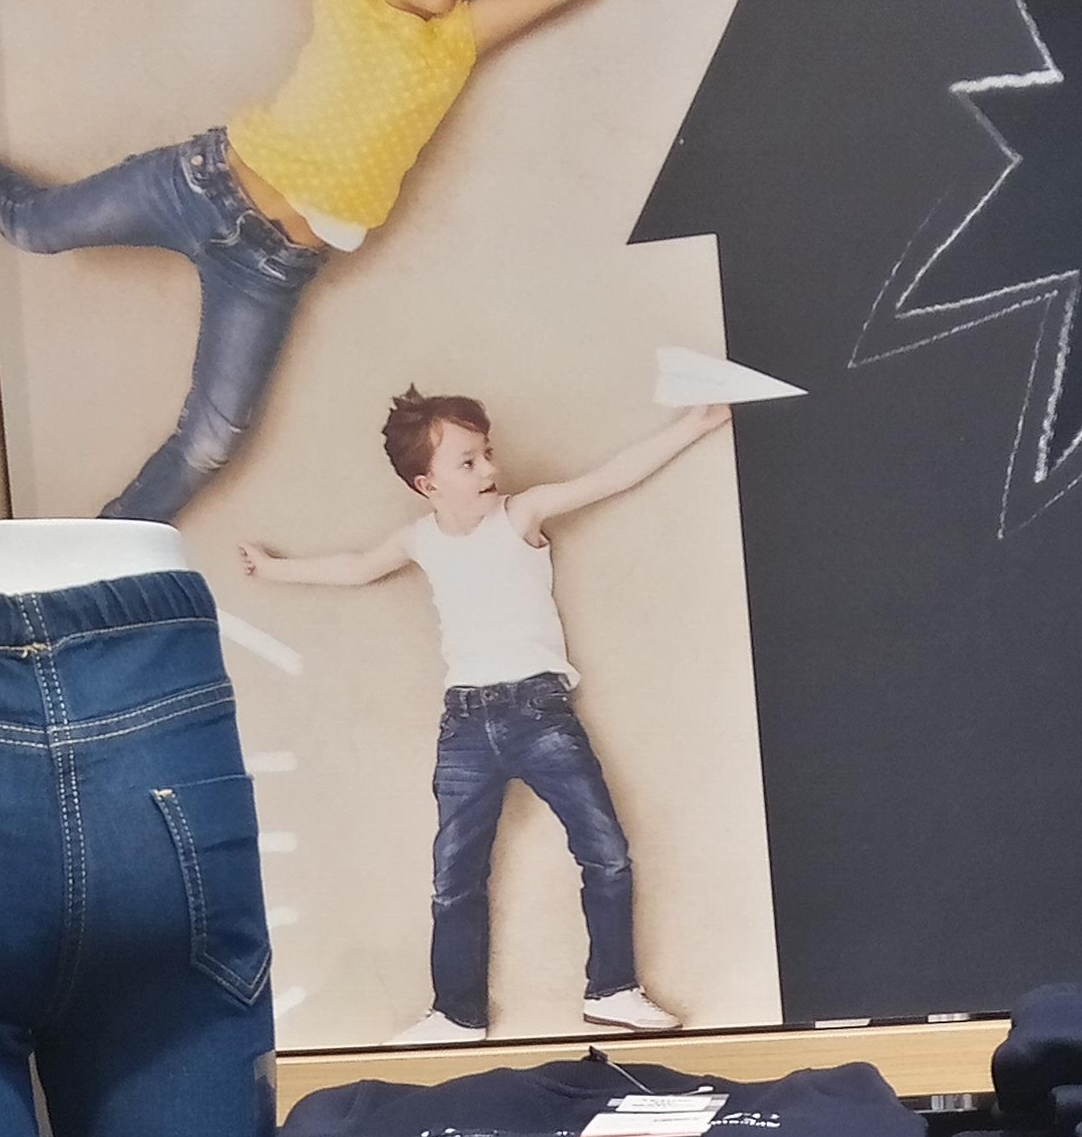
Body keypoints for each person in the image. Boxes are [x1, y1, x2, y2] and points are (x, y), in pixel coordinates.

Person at [0, 0, 750, 520]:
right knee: (35, 228)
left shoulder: (460, 38)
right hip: (200, 184)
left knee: (211, 443)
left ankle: (113, 543)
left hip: (272, 270)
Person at [243, 384, 732, 1041]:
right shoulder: (420, 539)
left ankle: (613, 990)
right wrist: (273, 571)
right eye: (468, 462)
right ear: (427, 484)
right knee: (454, 877)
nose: (489, 469)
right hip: (465, 725)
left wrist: (694, 425)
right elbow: (358, 567)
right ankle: (456, 1013)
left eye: (487, 454)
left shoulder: (520, 514)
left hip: (540, 711)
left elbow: (608, 478)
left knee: (607, 853)